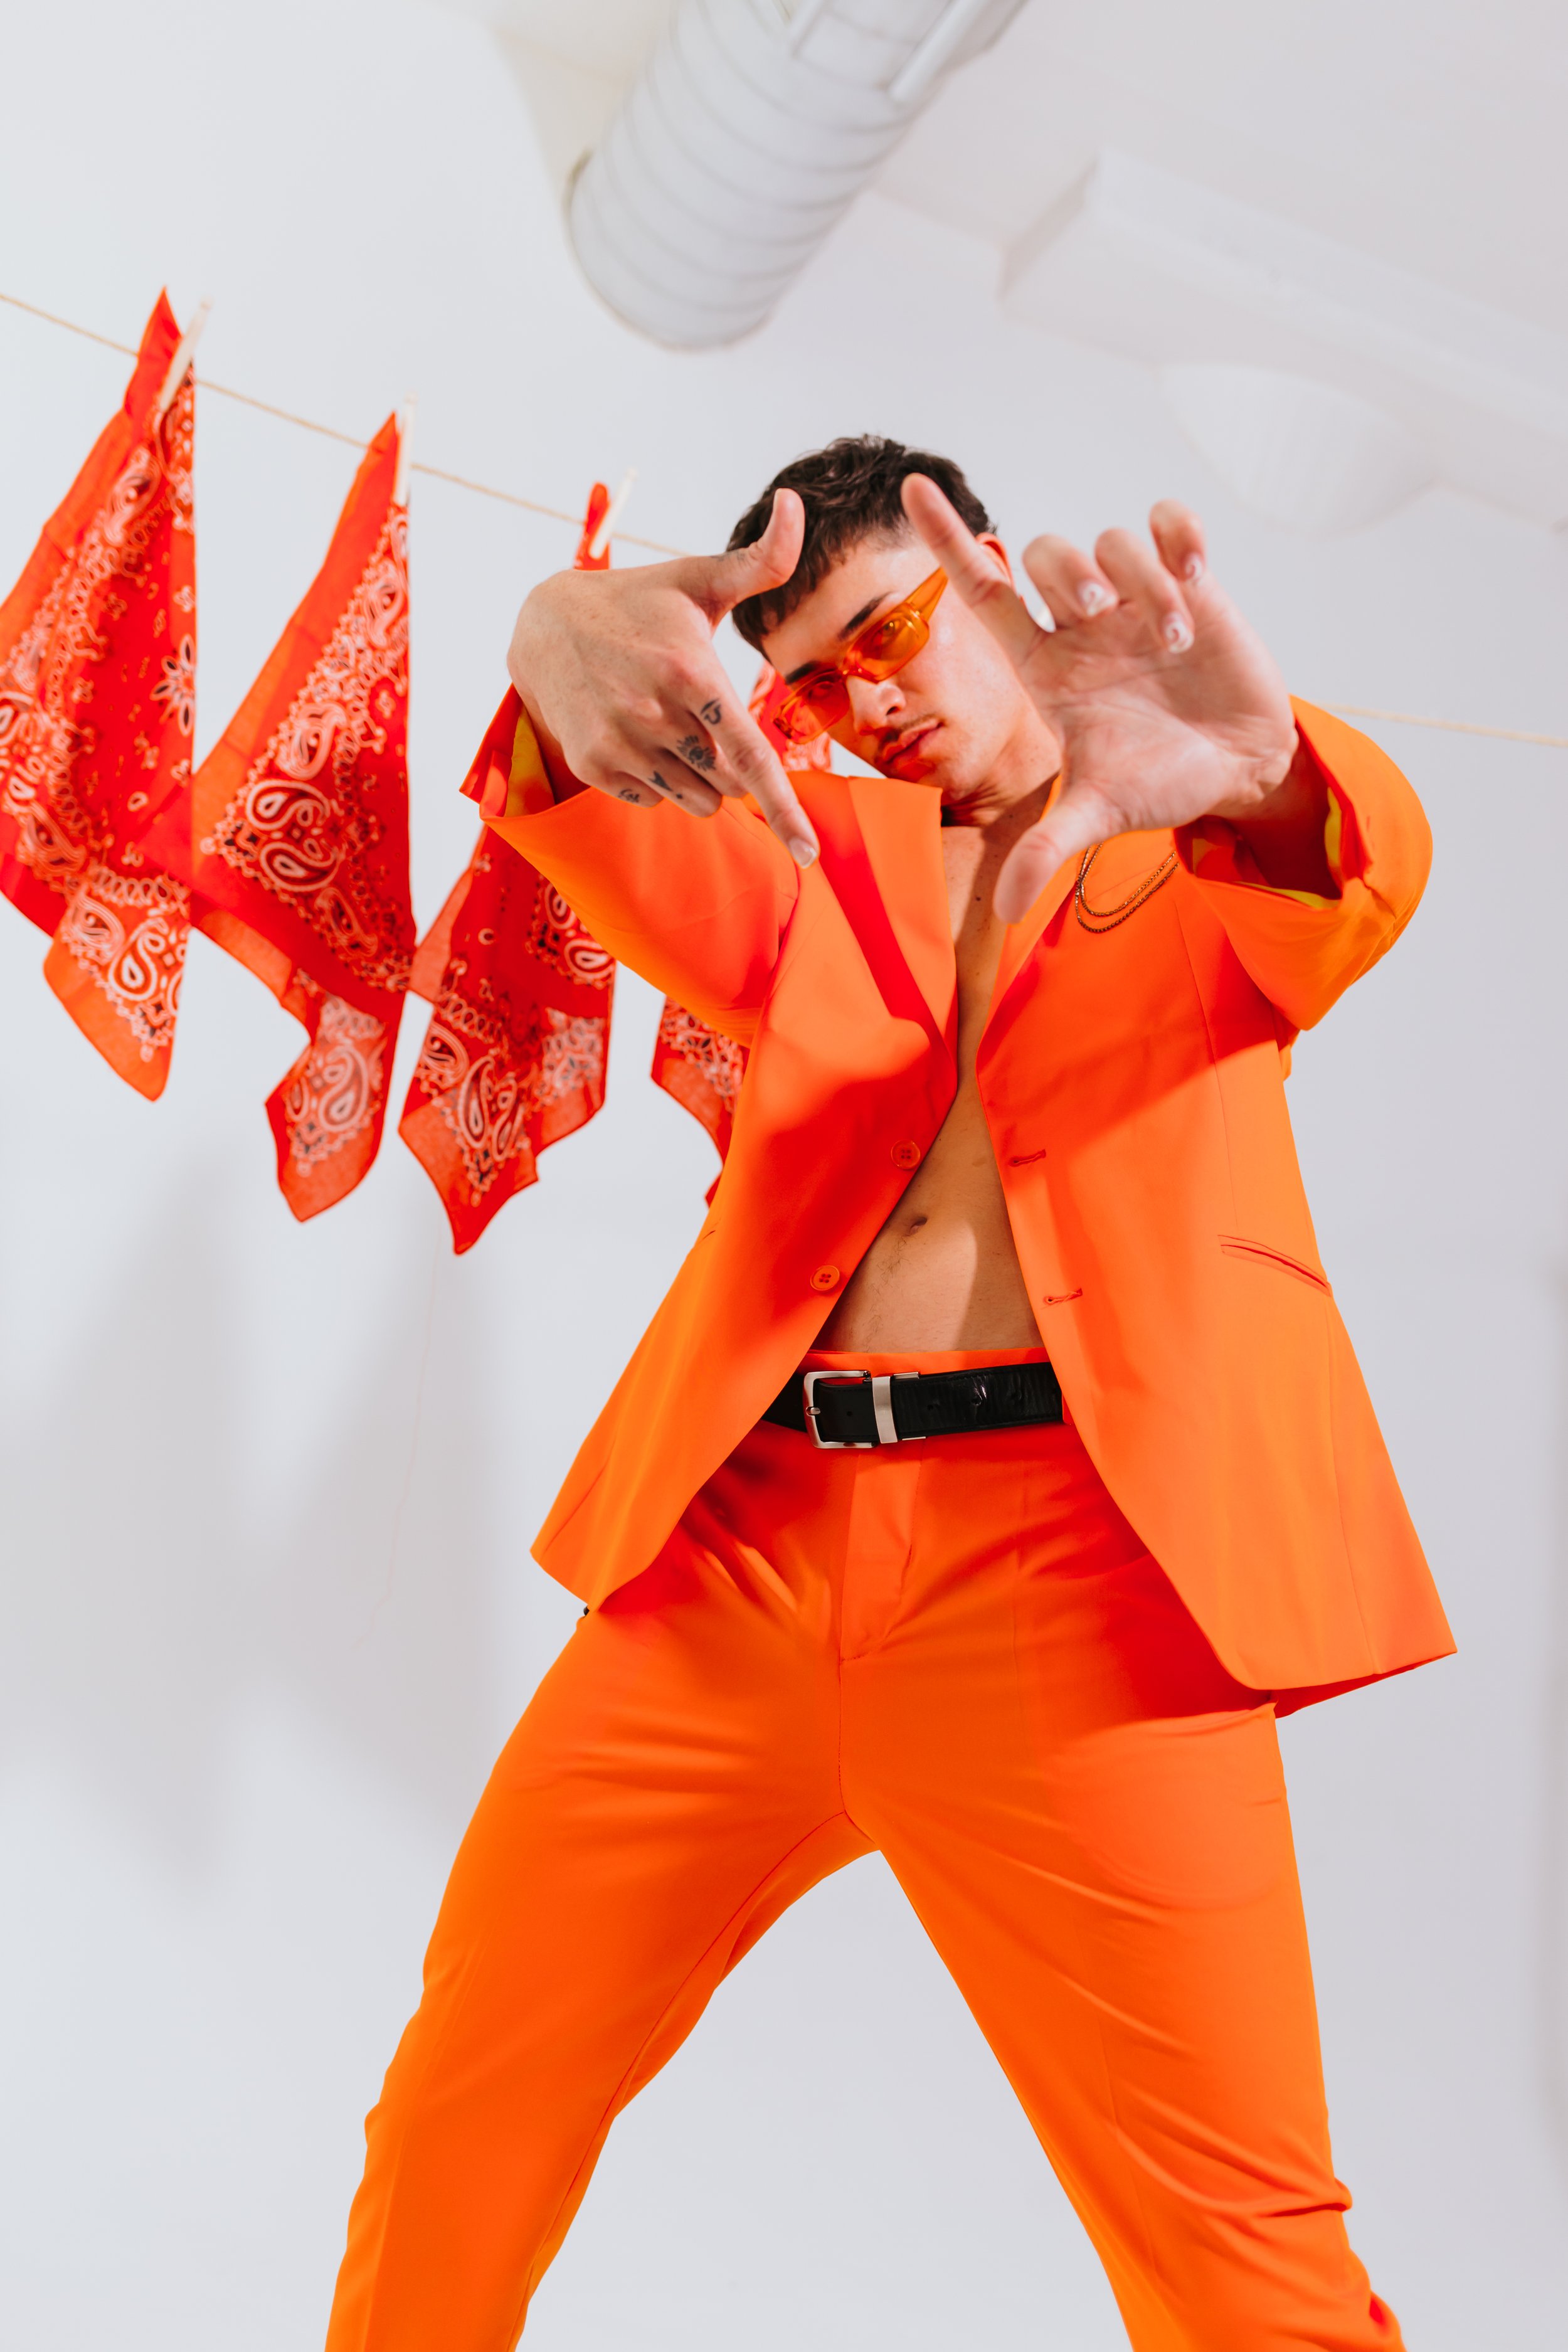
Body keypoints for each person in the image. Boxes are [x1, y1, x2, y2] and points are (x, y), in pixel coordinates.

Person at [326, 437, 1453, 2350]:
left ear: (986, 568)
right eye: (825, 680)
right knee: (464, 2103)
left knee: (1241, 2246)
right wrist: (546, 622)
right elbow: (561, 791)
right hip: (735, 1567)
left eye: (891, 632)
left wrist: (1260, 772)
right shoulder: (807, 850)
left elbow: (1344, 869)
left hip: (1087, 1588)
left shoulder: (1194, 824)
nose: (876, 701)